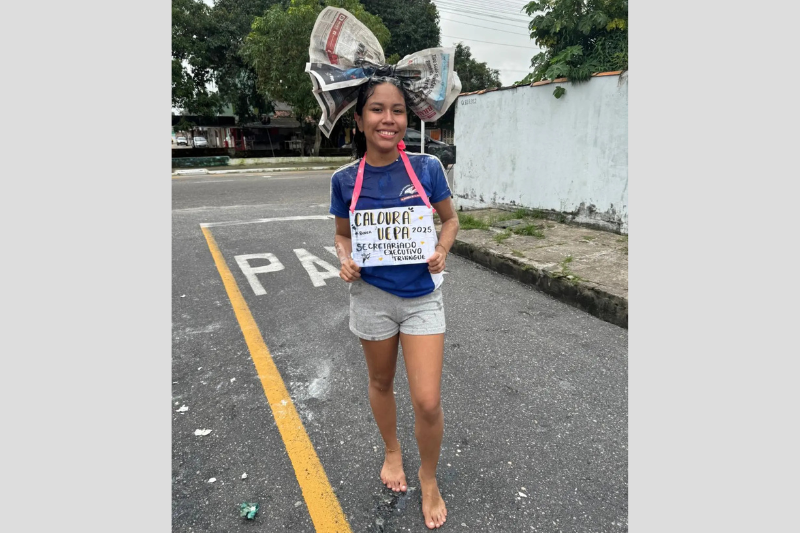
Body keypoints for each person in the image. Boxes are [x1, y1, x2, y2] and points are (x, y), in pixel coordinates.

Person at [329, 77, 459, 530]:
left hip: (423, 296)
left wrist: (442, 249)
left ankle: (428, 478)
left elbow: (450, 220)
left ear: (409, 117)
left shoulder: (427, 169)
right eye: (378, 110)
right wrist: (344, 260)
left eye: (398, 110)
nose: (389, 120)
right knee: (380, 382)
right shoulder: (344, 179)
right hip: (372, 298)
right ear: (360, 119)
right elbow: (343, 235)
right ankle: (391, 452)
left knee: (427, 400)